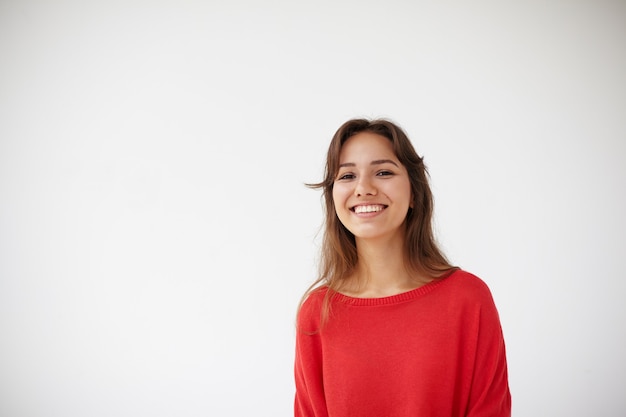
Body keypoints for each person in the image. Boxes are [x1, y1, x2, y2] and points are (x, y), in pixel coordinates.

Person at [294, 118, 511, 417]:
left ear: (414, 193)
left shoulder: (468, 300)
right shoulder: (317, 312)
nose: (363, 188)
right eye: (347, 176)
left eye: (383, 172)